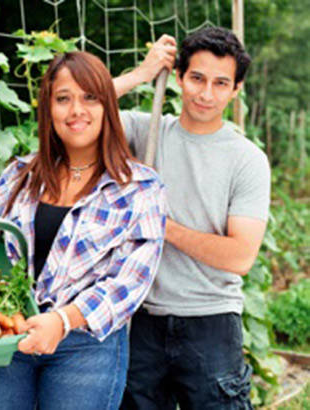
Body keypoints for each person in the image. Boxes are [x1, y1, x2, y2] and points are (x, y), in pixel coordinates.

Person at [0, 51, 166, 410]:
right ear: (48, 109)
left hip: (85, 346)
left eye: (90, 98)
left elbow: (130, 281)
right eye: (63, 99)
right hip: (10, 335)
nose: (76, 111)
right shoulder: (26, 173)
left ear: (108, 106)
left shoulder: (139, 188)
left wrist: (62, 320)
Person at [114, 27, 271, 409]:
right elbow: (67, 109)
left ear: (236, 91)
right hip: (142, 318)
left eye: (221, 83)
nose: (205, 93)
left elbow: (239, 257)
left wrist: (161, 225)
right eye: (197, 78)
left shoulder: (247, 160)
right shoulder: (145, 130)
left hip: (211, 321)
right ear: (179, 77)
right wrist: (140, 75)